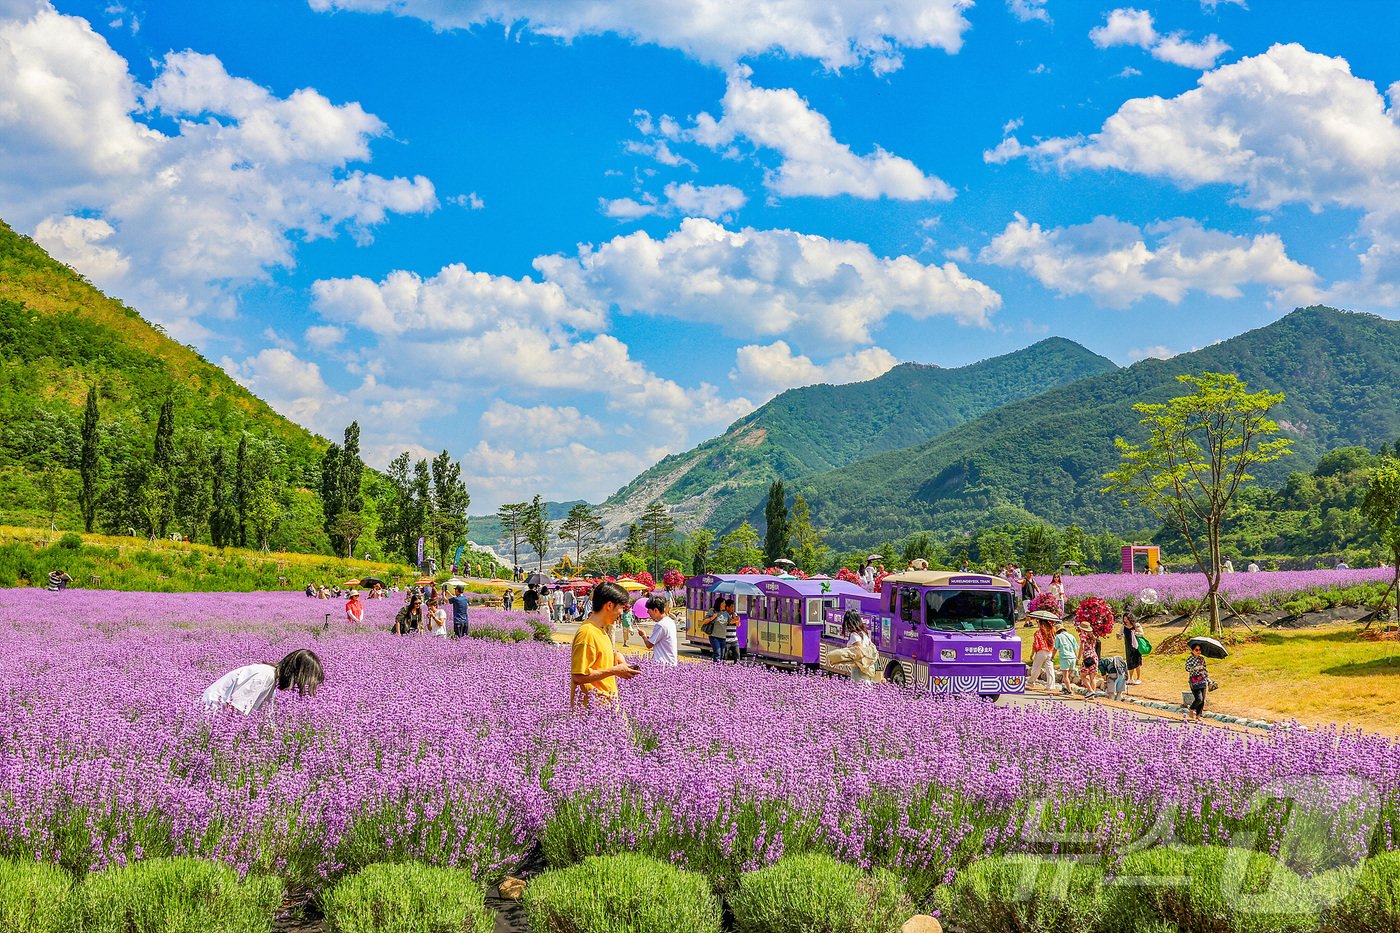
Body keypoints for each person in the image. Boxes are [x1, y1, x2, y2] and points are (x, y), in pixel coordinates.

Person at [570, 581, 639, 707]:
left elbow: (598, 661)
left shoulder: (600, 630)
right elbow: (578, 677)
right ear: (609, 605)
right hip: (592, 715)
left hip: (607, 708)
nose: (621, 613)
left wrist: (616, 657)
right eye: (621, 607)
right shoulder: (587, 633)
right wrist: (614, 670)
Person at [202, 648, 324, 714]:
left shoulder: (271, 681)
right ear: (298, 675)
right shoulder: (263, 676)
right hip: (208, 718)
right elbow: (234, 710)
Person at [638, 595, 677, 666]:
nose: (647, 612)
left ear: (655, 610)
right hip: (671, 661)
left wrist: (643, 635)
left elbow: (649, 645)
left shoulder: (660, 625)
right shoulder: (670, 621)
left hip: (662, 663)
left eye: (649, 610)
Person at [1026, 612, 1058, 690]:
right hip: (1049, 652)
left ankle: (1031, 682)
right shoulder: (1052, 632)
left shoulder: (1038, 633)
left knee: (1036, 668)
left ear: (1041, 624)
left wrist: (1032, 654)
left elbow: (1035, 644)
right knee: (1050, 669)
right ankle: (1051, 686)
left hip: (1041, 652)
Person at [702, 595, 733, 662]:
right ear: (720, 604)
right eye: (724, 603)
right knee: (717, 654)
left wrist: (737, 619)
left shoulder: (725, 613)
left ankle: (719, 669)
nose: (725, 604)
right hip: (714, 636)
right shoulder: (713, 611)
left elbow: (731, 621)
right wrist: (712, 618)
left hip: (723, 637)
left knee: (722, 655)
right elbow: (704, 621)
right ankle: (716, 668)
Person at [1053, 622, 1079, 695]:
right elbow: (1075, 648)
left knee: (1065, 676)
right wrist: (1077, 658)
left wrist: (1052, 657)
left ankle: (1069, 690)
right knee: (1068, 675)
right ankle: (1065, 687)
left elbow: (1055, 648)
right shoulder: (1071, 636)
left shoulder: (1058, 637)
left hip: (1065, 658)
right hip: (1073, 658)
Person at [1185, 643, 1210, 722]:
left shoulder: (1202, 659)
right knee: (1198, 698)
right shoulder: (1190, 659)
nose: (1198, 651)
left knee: (1203, 700)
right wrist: (1195, 668)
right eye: (1196, 650)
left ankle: (1198, 716)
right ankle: (1192, 709)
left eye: (1200, 650)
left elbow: (1205, 670)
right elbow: (1187, 668)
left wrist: (1208, 679)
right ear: (1192, 651)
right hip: (1194, 681)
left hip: (1202, 680)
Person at [1122, 611, 1143, 685]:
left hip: (1136, 646)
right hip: (1128, 646)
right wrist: (1119, 635)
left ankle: (1138, 678)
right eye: (1124, 619)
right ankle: (1131, 678)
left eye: (1127, 619)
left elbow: (1141, 634)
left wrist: (1136, 633)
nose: (1125, 621)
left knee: (1137, 662)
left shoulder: (1136, 625)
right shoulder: (1124, 626)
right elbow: (1120, 634)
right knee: (1130, 662)